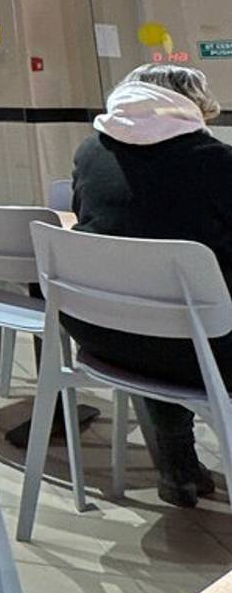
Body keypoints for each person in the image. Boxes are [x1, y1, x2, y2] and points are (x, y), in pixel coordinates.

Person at [69, 62, 232, 507]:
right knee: (184, 316)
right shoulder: (217, 163)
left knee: (160, 309)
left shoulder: (90, 152)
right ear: (190, 104)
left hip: (102, 336)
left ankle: (178, 463)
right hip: (204, 351)